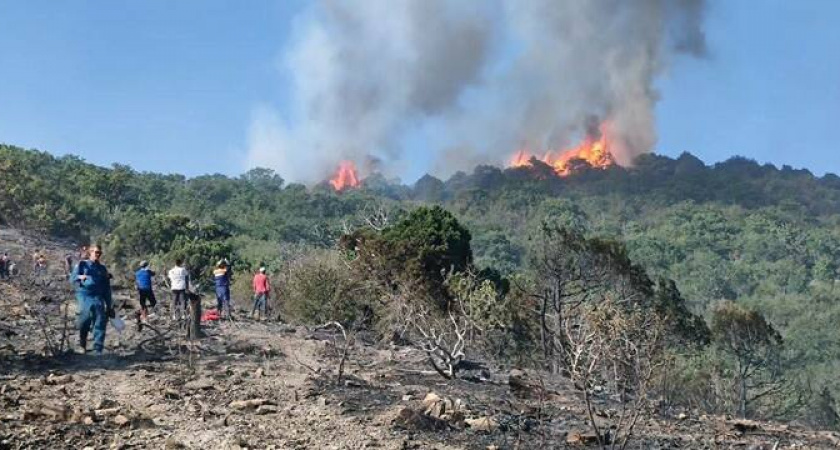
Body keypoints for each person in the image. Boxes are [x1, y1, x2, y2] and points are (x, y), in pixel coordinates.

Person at [72, 245, 113, 355]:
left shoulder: (102, 268)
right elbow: (72, 278)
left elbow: (107, 288)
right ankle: (82, 344)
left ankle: (97, 349)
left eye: (99, 252)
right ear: (90, 252)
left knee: (100, 322)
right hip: (85, 295)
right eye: (96, 252)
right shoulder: (82, 264)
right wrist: (80, 277)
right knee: (85, 320)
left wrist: (109, 305)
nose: (98, 254)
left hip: (98, 297)